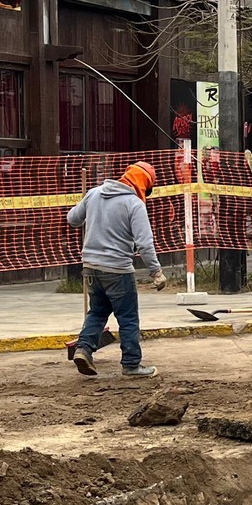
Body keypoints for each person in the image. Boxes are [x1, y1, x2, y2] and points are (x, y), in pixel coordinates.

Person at [67, 161, 165, 379]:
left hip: (91, 268)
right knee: (128, 317)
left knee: (98, 311)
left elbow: (72, 219)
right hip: (118, 270)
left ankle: (83, 349)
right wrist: (156, 272)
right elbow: (145, 243)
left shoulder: (94, 193)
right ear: (144, 185)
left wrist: (91, 209)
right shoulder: (134, 204)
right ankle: (131, 365)